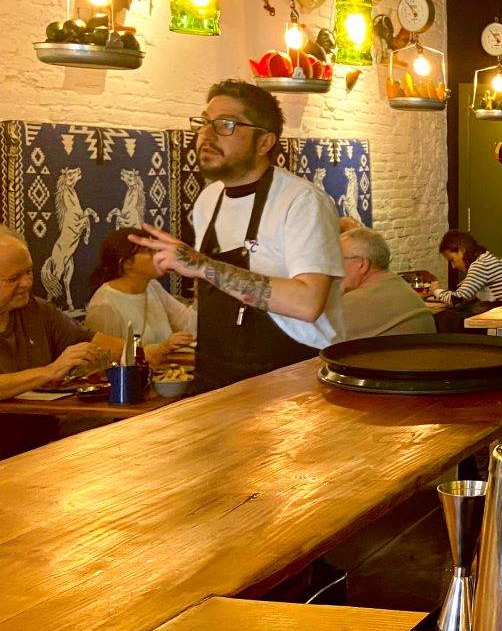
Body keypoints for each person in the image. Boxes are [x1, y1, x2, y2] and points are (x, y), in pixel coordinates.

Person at [132, 80, 344, 393]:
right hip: (217, 374)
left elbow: (308, 303)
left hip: (290, 378)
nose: (206, 135)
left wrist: (203, 266)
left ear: (264, 142)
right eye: (204, 123)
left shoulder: (301, 202)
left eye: (226, 125)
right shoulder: (209, 199)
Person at [0, 230, 114, 400]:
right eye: (13, 278)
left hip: (45, 422)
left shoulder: (37, 309)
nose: (26, 283)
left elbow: (95, 342)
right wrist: (50, 371)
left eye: (29, 272)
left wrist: (149, 353)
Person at [84, 228, 196, 366]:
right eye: (149, 251)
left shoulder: (152, 287)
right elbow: (103, 365)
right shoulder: (104, 305)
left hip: (166, 382)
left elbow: (190, 325)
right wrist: (161, 349)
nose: (159, 255)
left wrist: (201, 282)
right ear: (127, 263)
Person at [340, 226, 435, 339]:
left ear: (362, 265)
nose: (333, 268)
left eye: (338, 259)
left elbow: (317, 338)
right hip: (423, 355)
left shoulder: (355, 301)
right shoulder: (400, 286)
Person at [433, 230, 502, 307]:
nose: (453, 266)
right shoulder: (487, 258)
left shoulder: (480, 264)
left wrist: (436, 291)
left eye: (452, 260)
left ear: (461, 250)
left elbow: (457, 299)